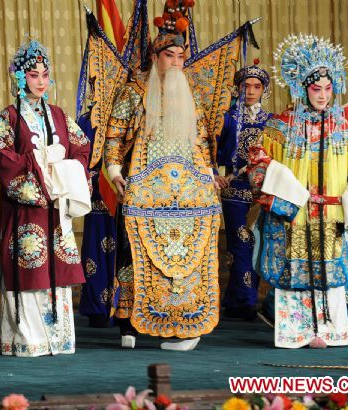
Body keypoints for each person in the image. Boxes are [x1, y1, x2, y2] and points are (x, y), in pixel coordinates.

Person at [248, 34, 348, 348]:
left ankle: (330, 329)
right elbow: (257, 159)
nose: (322, 96)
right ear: (302, 89)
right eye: (315, 89)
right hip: (297, 214)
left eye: (327, 88)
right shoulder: (281, 126)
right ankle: (297, 331)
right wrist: (287, 190)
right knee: (296, 270)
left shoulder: (342, 128)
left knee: (330, 271)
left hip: (329, 213)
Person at [104, 1, 221, 351]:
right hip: (145, 187)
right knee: (134, 252)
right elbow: (114, 134)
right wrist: (113, 169)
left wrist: (210, 174)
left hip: (186, 191)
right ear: (156, 57)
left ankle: (182, 322)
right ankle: (129, 324)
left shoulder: (191, 94)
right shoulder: (135, 90)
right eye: (169, 56)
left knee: (186, 256)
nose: (176, 63)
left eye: (181, 57)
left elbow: (200, 141)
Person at [0, 38, 91, 357]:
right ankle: (27, 340)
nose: (40, 81)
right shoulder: (8, 117)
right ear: (20, 78)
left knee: (56, 273)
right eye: (33, 75)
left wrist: (63, 167)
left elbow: (81, 147)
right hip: (26, 208)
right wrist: (39, 163)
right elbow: (4, 157)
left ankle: (59, 339)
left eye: (45, 75)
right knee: (28, 267)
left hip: (54, 208)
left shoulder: (60, 115)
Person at [215, 60, 272, 321]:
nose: (251, 91)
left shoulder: (272, 123)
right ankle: (245, 301)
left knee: (257, 243)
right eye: (246, 86)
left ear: (264, 90)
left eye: (256, 86)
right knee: (240, 241)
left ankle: (236, 298)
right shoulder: (227, 119)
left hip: (261, 190)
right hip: (235, 188)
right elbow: (208, 147)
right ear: (238, 88)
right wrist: (217, 174)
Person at [77, 111, 116, 328]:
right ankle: (97, 309)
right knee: (95, 252)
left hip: (127, 193)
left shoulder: (137, 109)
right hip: (96, 194)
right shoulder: (87, 119)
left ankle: (124, 307)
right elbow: (76, 156)